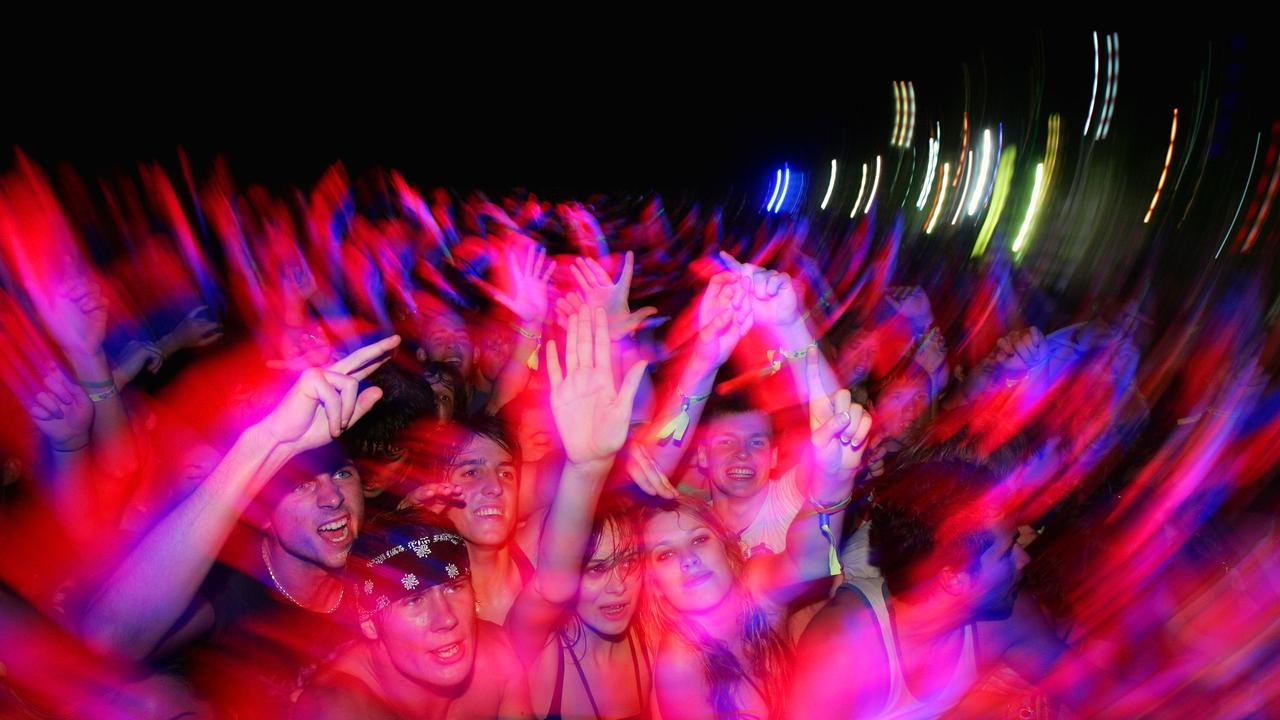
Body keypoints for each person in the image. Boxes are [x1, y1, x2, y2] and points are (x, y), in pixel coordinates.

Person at [78, 336, 400, 717]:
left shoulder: (381, 569)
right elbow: (107, 642)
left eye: (342, 474)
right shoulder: (226, 590)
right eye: (299, 483)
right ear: (260, 513)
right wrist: (267, 443)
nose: (332, 498)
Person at [789, 454, 1112, 718]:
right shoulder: (842, 648)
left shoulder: (1003, 618)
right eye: (1006, 550)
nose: (1023, 559)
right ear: (953, 579)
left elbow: (1103, 697)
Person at [642, 354, 872, 719]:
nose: (688, 558)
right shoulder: (678, 663)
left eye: (700, 540)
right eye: (664, 555)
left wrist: (833, 480)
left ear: (728, 547)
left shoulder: (754, 586)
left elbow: (808, 561)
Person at [505, 306, 653, 719]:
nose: (619, 585)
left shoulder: (649, 638)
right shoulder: (538, 649)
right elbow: (552, 583)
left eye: (628, 561)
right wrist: (587, 469)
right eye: (596, 568)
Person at [292, 507, 532, 719]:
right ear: (368, 621)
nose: (447, 618)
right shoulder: (336, 709)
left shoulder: (498, 656)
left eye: (454, 587)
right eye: (414, 600)